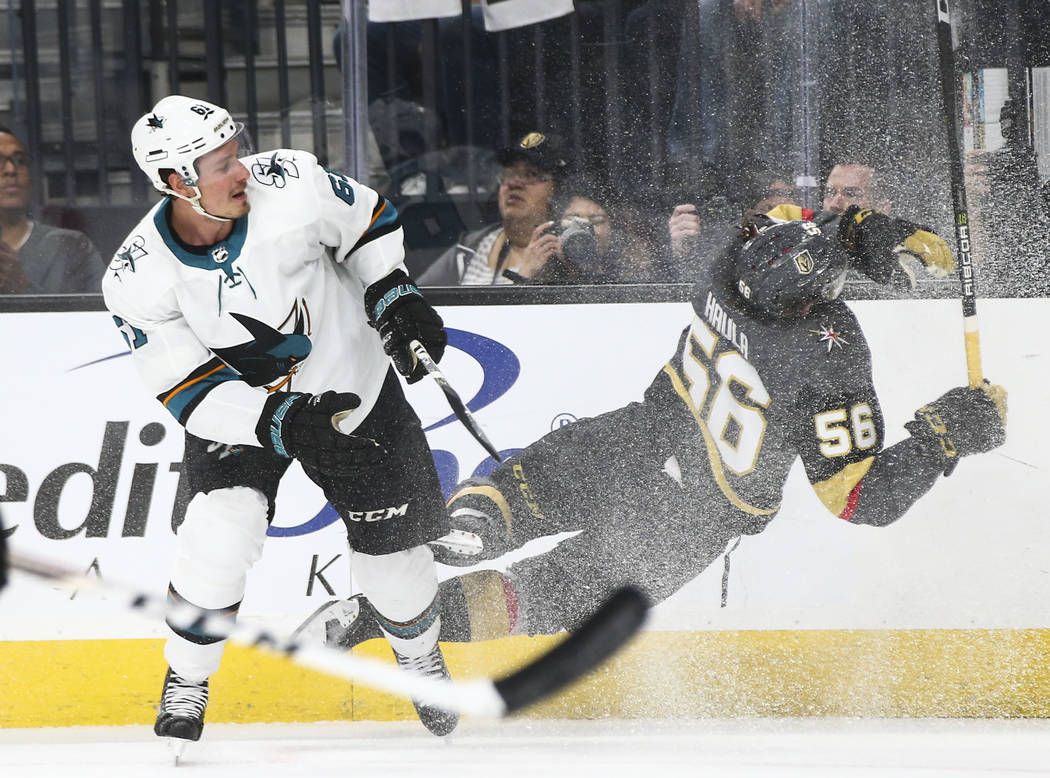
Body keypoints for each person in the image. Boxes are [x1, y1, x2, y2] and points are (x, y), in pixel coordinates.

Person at [296, 203, 1006, 653]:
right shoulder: (830, 352)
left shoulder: (730, 264)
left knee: (506, 501)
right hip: (695, 522)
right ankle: (379, 621)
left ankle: (419, 564)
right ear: (811, 304)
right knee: (541, 596)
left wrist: (860, 232)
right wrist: (945, 435)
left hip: (636, 440)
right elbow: (859, 498)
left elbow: (791, 221)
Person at [101, 95, 457, 744]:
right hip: (246, 418)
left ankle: (419, 657)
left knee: (394, 569)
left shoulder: (291, 180)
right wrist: (283, 422)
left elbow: (368, 221)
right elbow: (186, 387)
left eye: (235, 153)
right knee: (218, 536)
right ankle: (188, 676)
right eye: (222, 166)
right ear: (177, 182)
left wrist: (393, 292)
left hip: (355, 392)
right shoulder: (137, 277)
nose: (243, 170)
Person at [417, 131, 582, 285]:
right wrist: (523, 277)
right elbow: (417, 296)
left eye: (531, 174)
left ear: (556, 190)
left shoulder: (568, 247)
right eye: (508, 174)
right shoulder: (473, 246)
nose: (513, 183)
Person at [0, 126, 103, 293]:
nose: (11, 170)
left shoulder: (71, 246)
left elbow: (100, 307)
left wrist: (22, 287)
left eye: (20, 160)